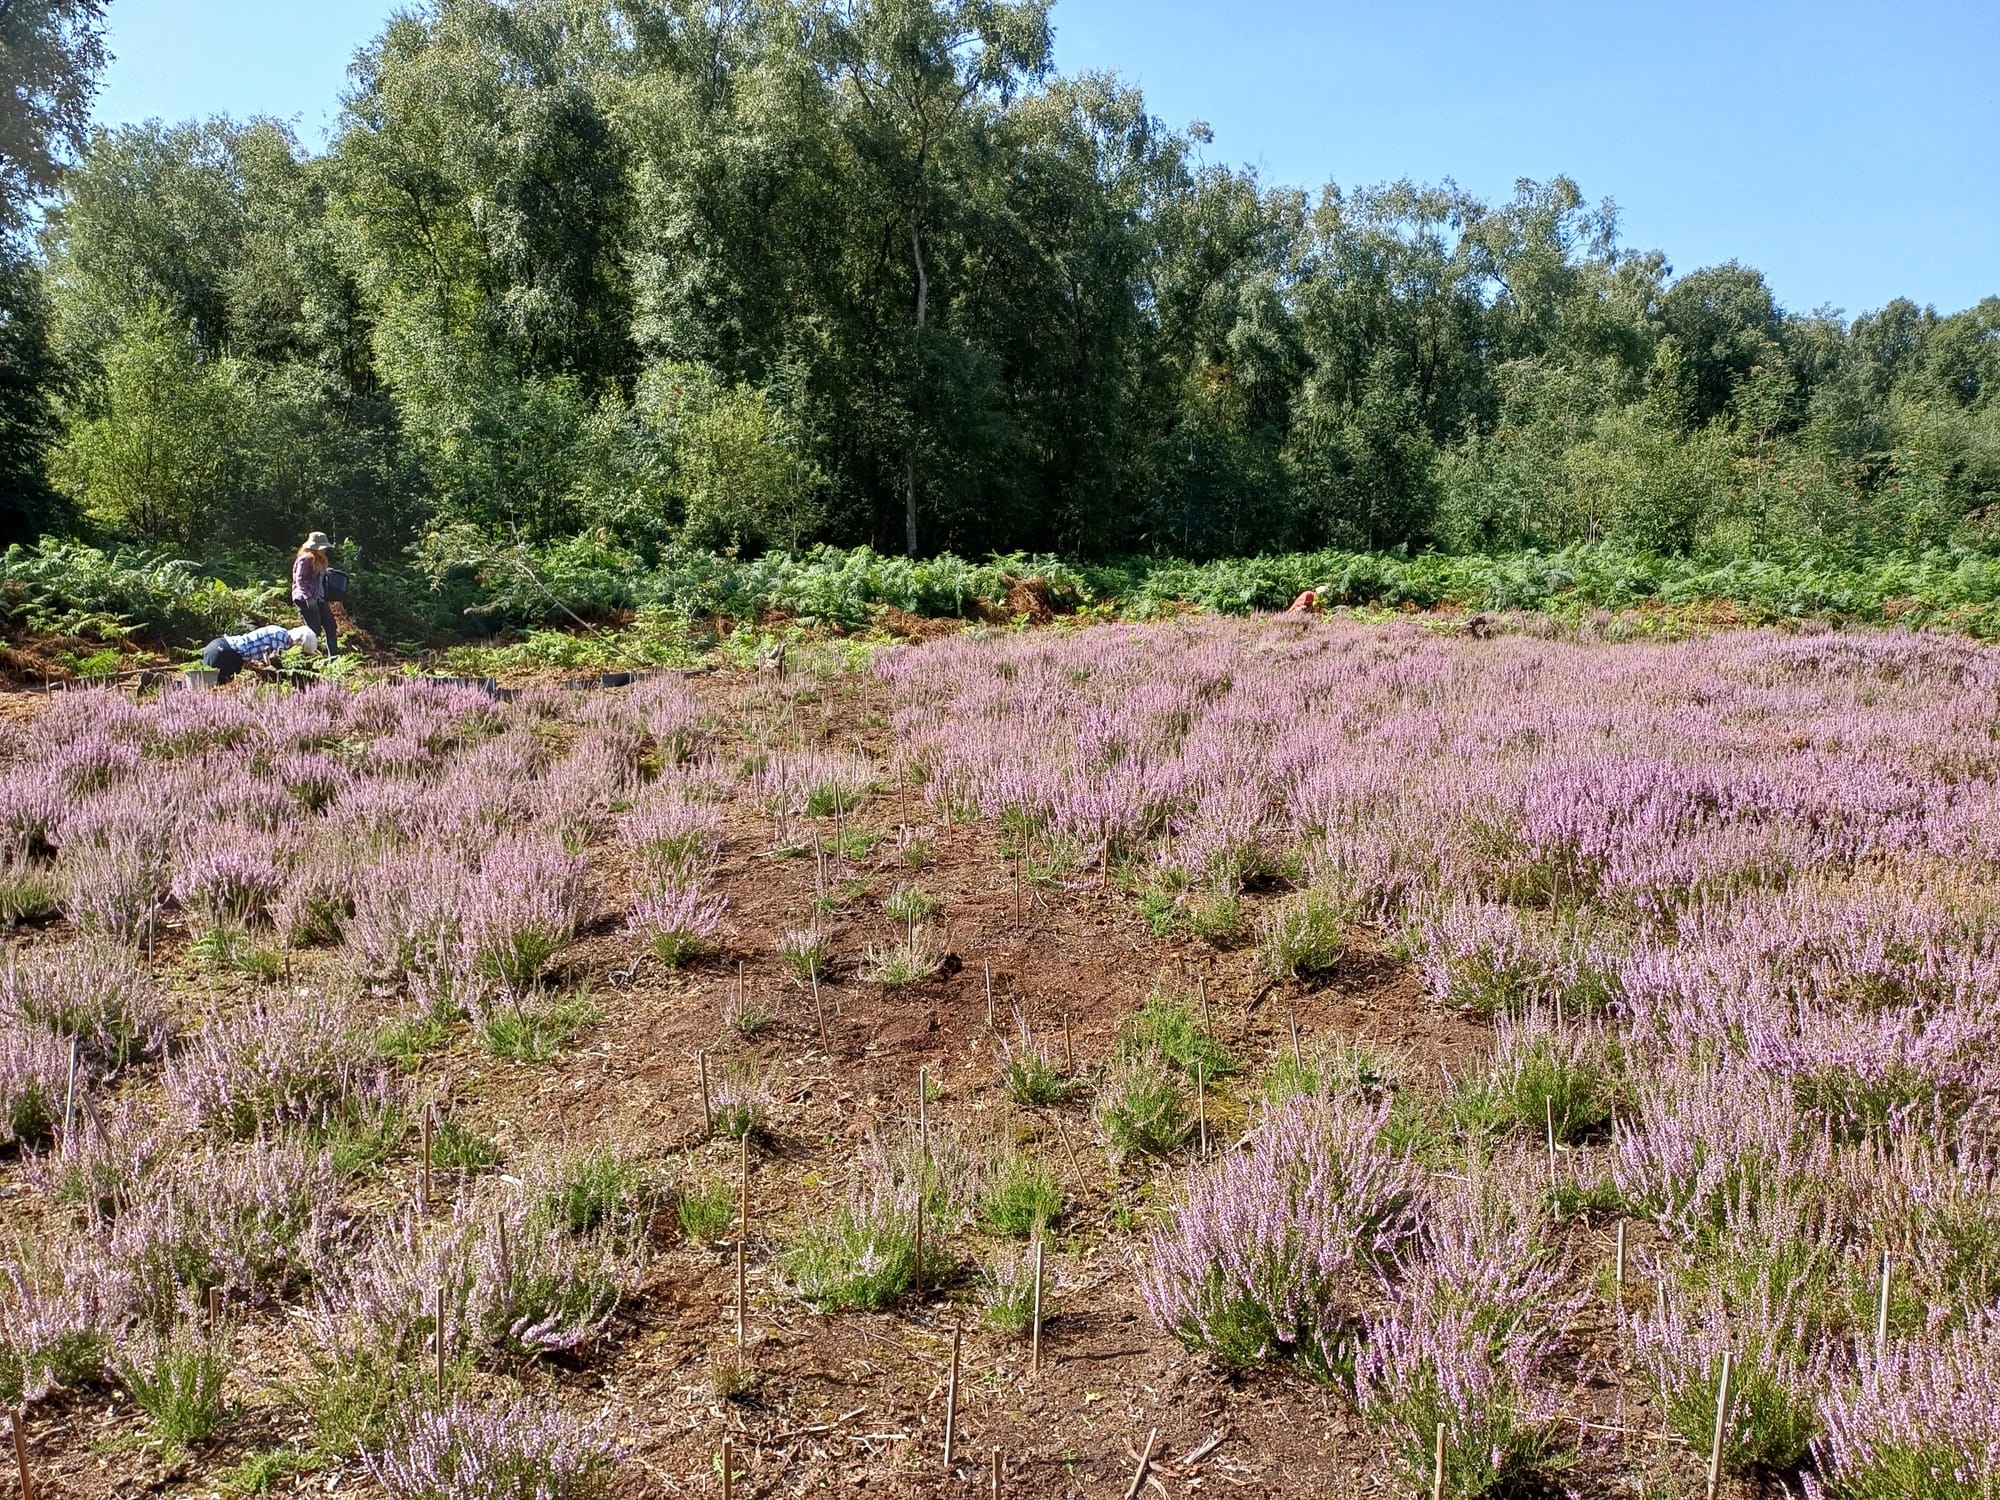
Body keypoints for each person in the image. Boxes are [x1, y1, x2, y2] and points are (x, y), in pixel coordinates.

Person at [200, 625, 318, 685]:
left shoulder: (279, 631)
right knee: (209, 689)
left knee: (204, 685)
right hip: (224, 653)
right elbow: (275, 668)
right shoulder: (281, 640)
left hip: (220, 647)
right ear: (297, 642)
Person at [292, 532, 339, 657]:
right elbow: (300, 580)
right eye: (322, 547)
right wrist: (308, 597)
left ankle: (334, 658)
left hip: (318, 598)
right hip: (305, 599)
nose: (324, 550)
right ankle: (304, 657)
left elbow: (317, 576)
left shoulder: (320, 560)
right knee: (314, 630)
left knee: (331, 625)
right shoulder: (305, 559)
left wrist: (326, 572)